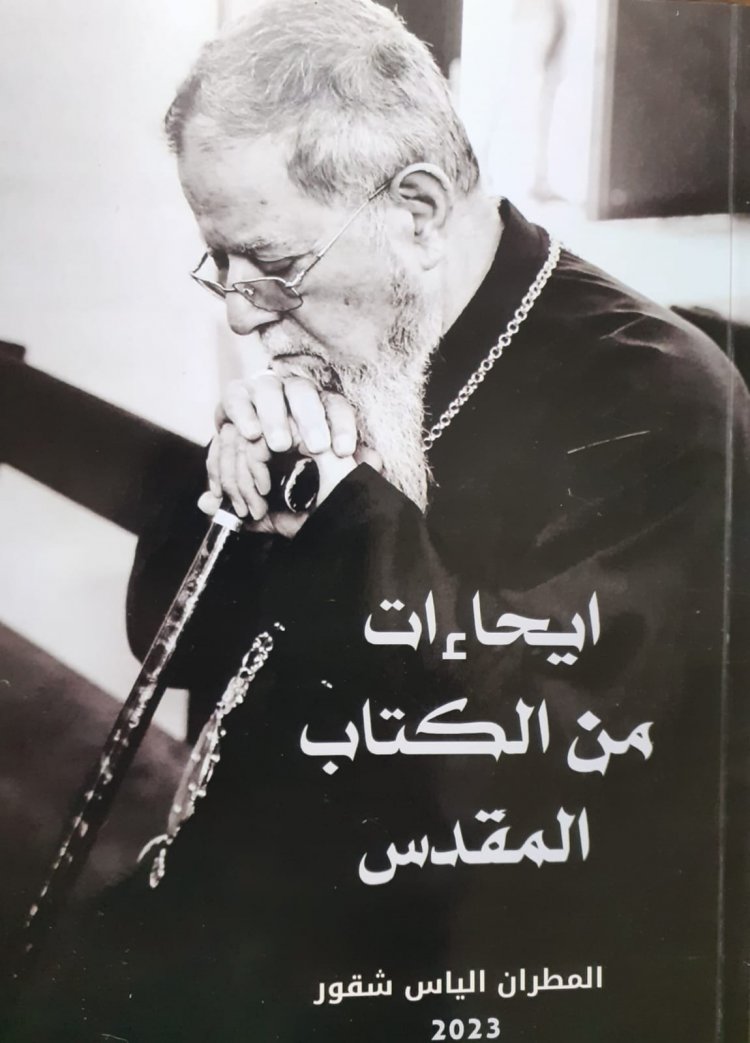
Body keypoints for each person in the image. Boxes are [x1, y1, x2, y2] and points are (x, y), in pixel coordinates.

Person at [11, 1, 749, 1040]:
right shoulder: (366, 337)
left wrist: (335, 500)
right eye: (221, 264)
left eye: (272, 265)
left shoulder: (665, 410)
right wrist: (234, 496)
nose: (240, 313)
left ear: (417, 211)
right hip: (243, 911)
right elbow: (178, 638)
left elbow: (534, 767)